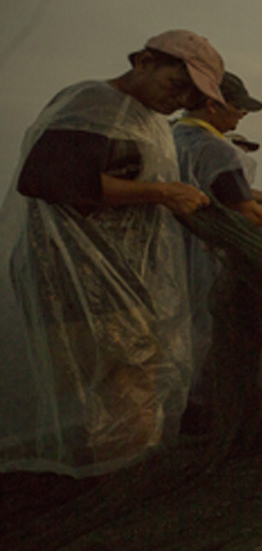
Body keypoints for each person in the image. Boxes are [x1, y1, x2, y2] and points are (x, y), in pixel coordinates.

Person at [0, 30, 223, 477]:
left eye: (189, 96)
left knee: (122, 397)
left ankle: (115, 482)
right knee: (128, 392)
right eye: (174, 85)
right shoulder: (95, 102)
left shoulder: (141, 117)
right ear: (143, 62)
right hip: (81, 285)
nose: (177, 100)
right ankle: (124, 491)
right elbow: (45, 178)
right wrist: (161, 192)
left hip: (114, 282)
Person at [173, 72, 262, 412]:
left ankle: (176, 407)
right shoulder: (217, 148)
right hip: (208, 255)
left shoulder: (174, 136)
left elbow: (227, 190)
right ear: (212, 105)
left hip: (173, 251)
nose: (242, 116)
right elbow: (243, 207)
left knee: (178, 328)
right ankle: (201, 409)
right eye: (238, 109)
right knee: (209, 329)